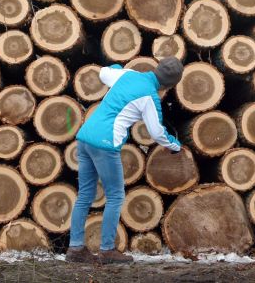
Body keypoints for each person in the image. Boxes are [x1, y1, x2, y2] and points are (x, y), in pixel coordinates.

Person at [66, 57, 184, 264]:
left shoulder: (129, 75)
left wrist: (115, 68)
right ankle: (107, 250)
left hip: (84, 137)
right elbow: (156, 132)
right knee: (115, 196)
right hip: (105, 142)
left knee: (85, 194)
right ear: (170, 85)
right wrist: (174, 145)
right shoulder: (150, 96)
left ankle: (75, 248)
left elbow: (103, 73)